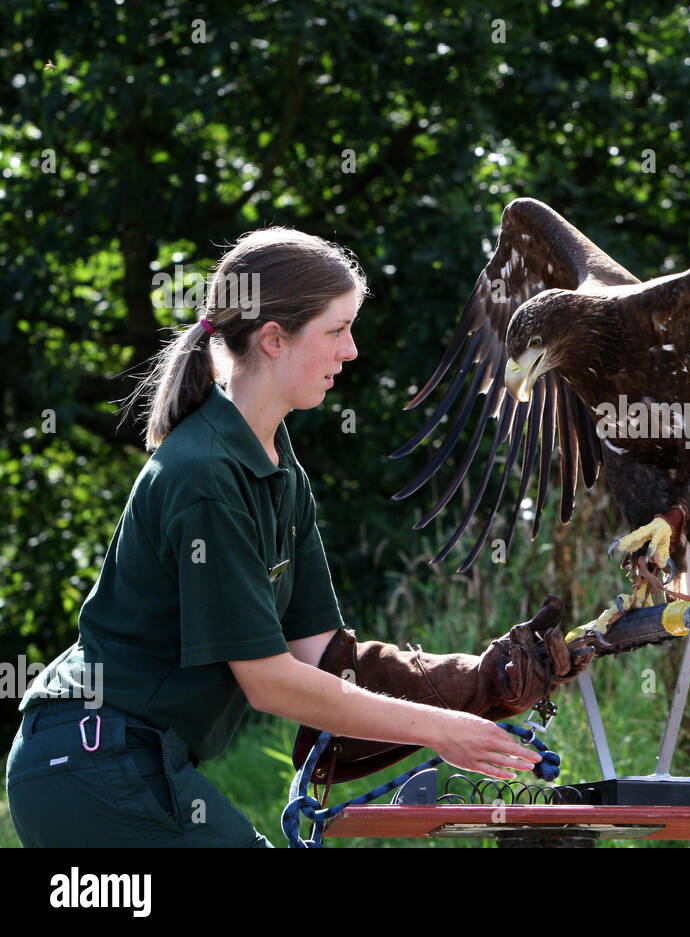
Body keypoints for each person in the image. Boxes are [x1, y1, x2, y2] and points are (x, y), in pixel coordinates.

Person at [5, 228, 588, 847]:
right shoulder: (205, 474)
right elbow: (270, 681)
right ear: (274, 339)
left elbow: (321, 658)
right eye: (336, 330)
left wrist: (479, 683)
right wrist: (440, 729)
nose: (353, 350)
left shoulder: (281, 472)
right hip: (92, 761)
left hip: (126, 763)